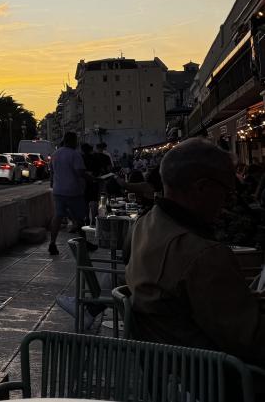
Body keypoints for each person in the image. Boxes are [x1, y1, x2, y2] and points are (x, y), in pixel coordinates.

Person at [126, 137, 265, 368]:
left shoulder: (144, 225)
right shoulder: (203, 255)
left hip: (173, 369)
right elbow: (251, 340)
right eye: (226, 192)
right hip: (220, 379)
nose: (226, 202)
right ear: (202, 188)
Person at [48, 132, 95, 255]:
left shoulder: (55, 154)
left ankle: (52, 243)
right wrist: (90, 178)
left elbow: (52, 173)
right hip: (73, 191)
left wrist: (53, 184)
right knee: (80, 218)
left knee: (57, 217)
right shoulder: (75, 155)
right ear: (73, 141)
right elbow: (80, 172)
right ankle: (84, 243)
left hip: (58, 191)